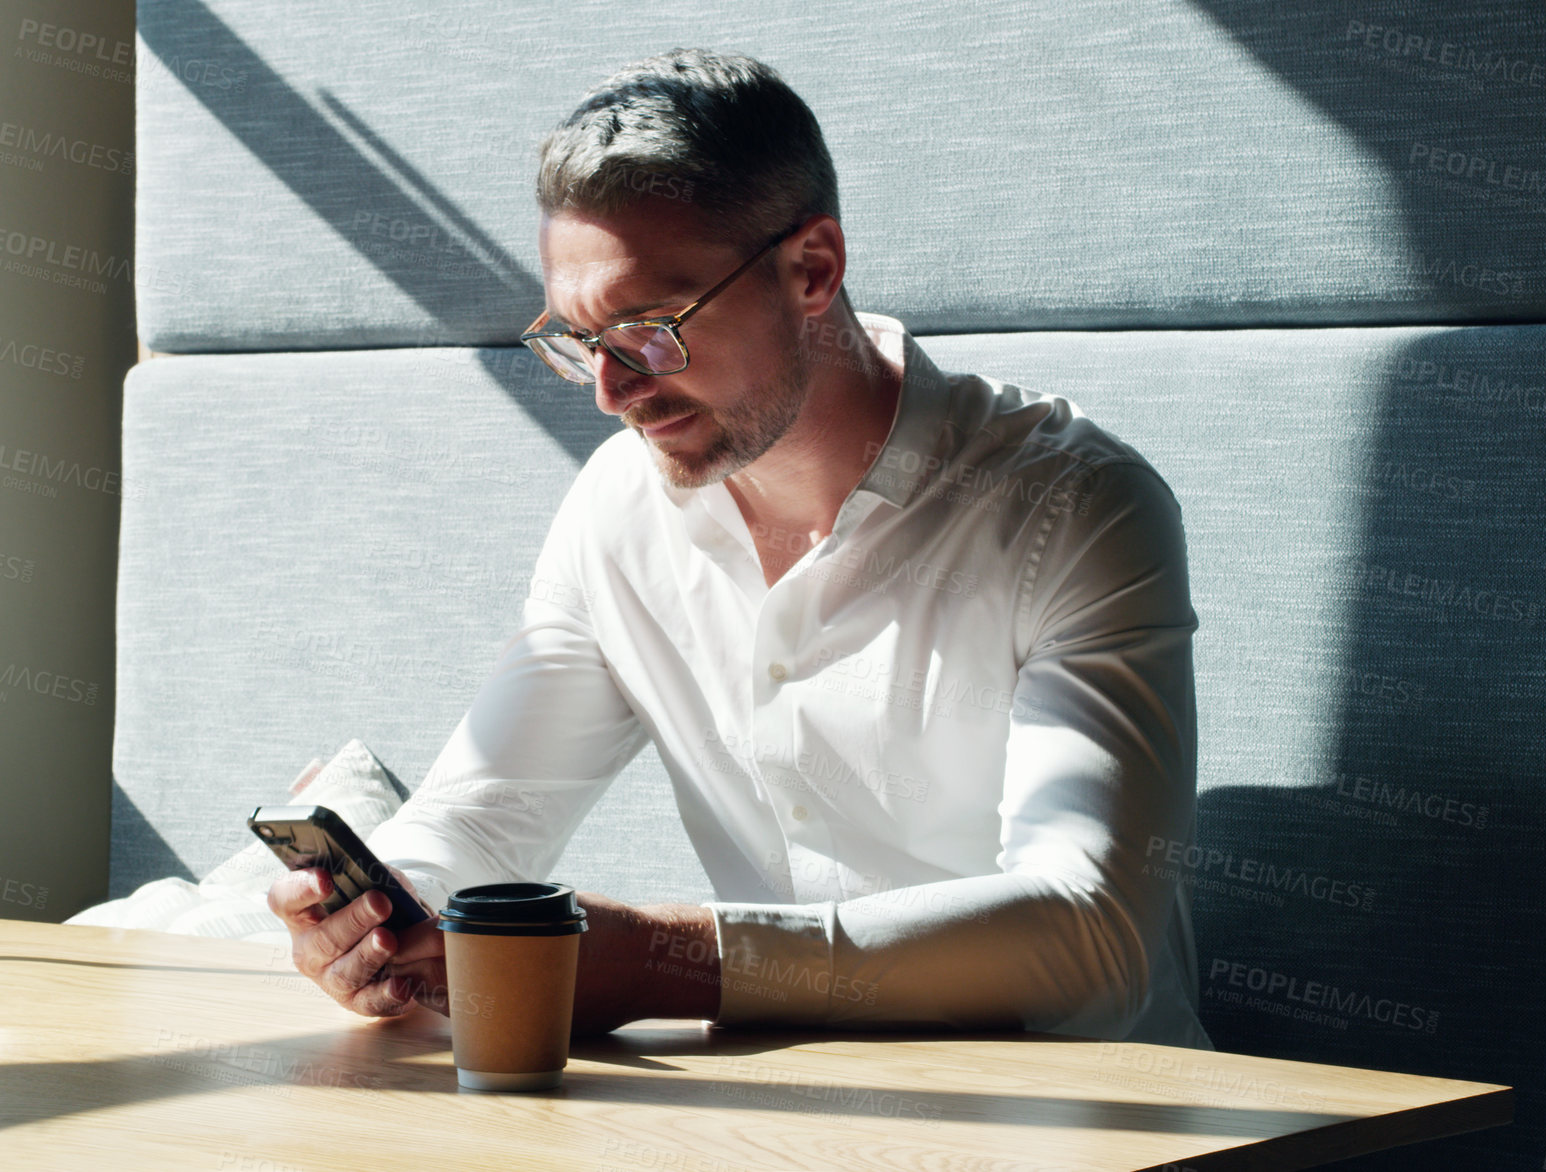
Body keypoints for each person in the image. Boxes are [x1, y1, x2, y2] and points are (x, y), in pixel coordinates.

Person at [267, 48, 1210, 1049]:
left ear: (813, 269)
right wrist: (382, 910)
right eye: (580, 341)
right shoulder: (617, 512)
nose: (612, 390)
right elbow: (482, 820)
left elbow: (1093, 938)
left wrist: (681, 959)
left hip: (1080, 1113)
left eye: (650, 328)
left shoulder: (1076, 505)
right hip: (764, 1114)